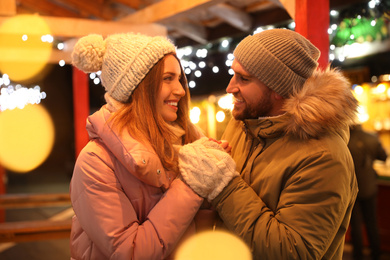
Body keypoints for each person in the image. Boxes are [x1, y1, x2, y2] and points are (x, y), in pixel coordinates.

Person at [178, 29, 359, 259]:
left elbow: (293, 251)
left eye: (244, 78)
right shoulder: (245, 123)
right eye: (233, 74)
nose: (230, 87)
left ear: (277, 90)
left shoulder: (324, 156)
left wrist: (224, 184)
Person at [69, 33, 221, 259]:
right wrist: (192, 182)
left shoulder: (187, 145)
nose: (180, 90)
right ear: (137, 87)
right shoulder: (96, 162)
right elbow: (130, 252)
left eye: (179, 78)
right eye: (168, 78)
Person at [348, 124, 387, 260]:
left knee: (355, 225)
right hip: (369, 186)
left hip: (352, 188)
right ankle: (376, 253)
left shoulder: (345, 140)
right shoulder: (372, 137)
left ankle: (357, 255)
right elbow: (383, 156)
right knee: (372, 222)